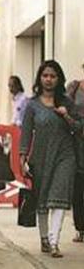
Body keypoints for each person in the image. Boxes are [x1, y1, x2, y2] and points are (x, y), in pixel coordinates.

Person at [20, 60, 83, 258]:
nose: (48, 79)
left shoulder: (67, 103)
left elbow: (79, 128)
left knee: (59, 197)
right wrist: (22, 157)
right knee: (43, 197)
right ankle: (44, 238)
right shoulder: (32, 105)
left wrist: (66, 116)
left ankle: (54, 242)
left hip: (65, 155)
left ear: (59, 79)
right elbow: (26, 133)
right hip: (40, 157)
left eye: (53, 76)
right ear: (40, 78)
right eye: (45, 75)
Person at [66, 62, 84, 243]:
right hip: (77, 144)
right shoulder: (74, 87)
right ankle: (80, 227)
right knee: (78, 187)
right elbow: (64, 109)